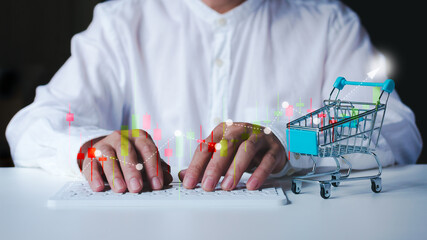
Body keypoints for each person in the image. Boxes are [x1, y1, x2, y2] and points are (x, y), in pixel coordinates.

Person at [6, 0, 422, 193]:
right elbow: (32, 124)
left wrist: (290, 140)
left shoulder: (329, 23)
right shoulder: (120, 22)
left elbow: (398, 127)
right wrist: (91, 146)